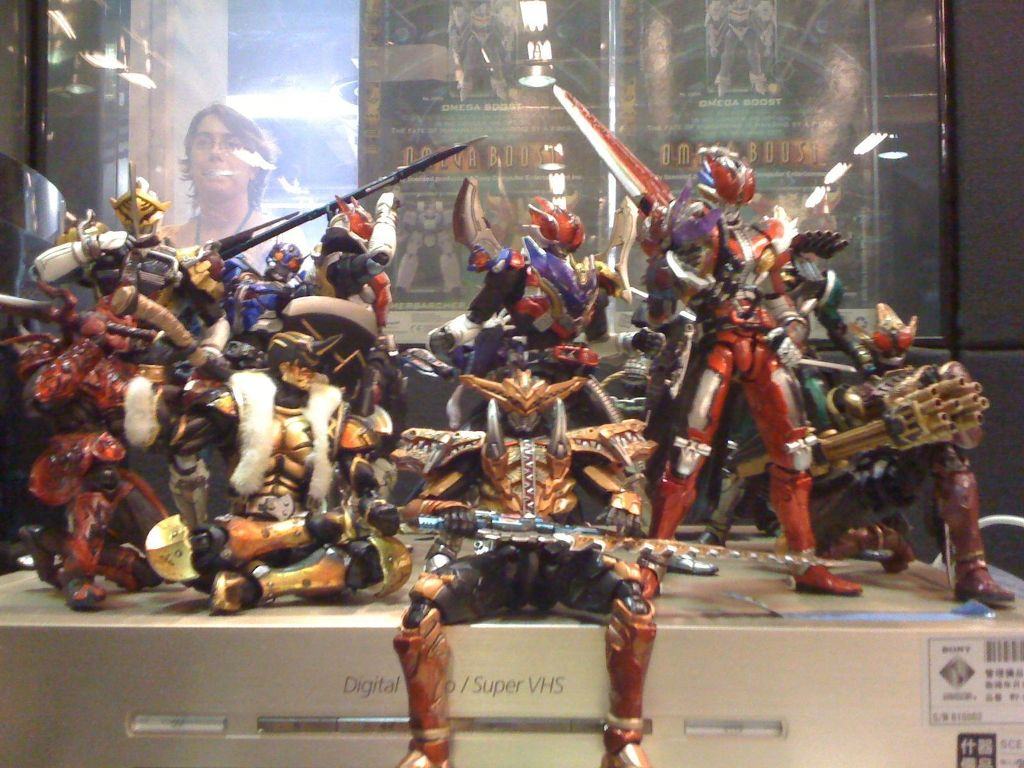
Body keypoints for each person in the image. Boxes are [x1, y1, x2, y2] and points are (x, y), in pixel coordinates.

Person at [161, 103, 307, 257]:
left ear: (254, 167)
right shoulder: (163, 243)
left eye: (231, 144)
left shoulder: (281, 240)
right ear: (190, 162)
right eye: (203, 142)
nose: (215, 152)